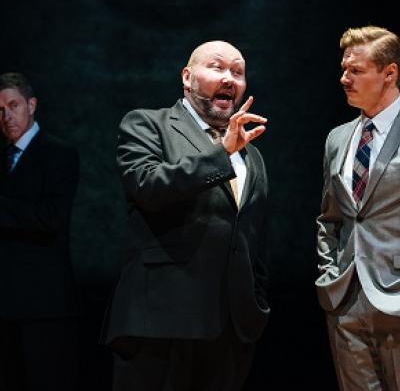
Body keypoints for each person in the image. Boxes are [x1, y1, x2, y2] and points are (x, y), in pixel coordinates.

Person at [101, 40, 270, 391]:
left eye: (237, 72)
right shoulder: (147, 124)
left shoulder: (251, 155)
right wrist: (221, 153)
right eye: (217, 67)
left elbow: (254, 236)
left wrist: (257, 302)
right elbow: (149, 187)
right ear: (187, 77)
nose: (229, 78)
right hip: (161, 323)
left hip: (231, 329)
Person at [316, 26, 400, 390]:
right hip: (346, 299)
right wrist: (328, 274)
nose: (344, 78)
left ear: (389, 73)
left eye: (356, 70)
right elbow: (329, 217)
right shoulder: (338, 137)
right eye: (343, 68)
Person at [0, 72, 80, 391]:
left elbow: (51, 218)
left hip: (42, 303)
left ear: (31, 105)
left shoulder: (59, 155)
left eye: (13, 105)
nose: (6, 115)